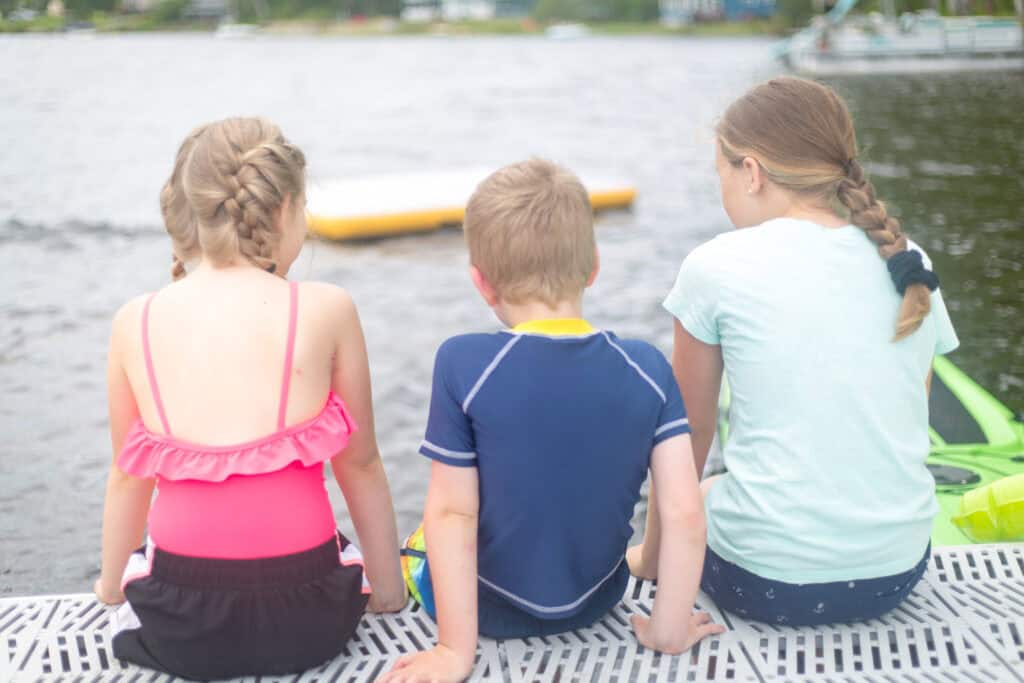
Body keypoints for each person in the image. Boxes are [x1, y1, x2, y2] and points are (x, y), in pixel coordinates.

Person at [629, 77, 958, 626]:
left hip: (768, 583)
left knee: (710, 488)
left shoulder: (716, 266)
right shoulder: (907, 261)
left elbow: (688, 434)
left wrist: (652, 557)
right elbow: (909, 414)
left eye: (721, 174)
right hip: (898, 573)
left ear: (752, 172)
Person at [381, 159, 723, 683]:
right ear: (593, 268)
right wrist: (668, 629)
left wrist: (453, 651)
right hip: (597, 601)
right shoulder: (648, 367)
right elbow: (682, 511)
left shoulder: (462, 363)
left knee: (428, 529)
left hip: (490, 612)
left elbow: (453, 514)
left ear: (481, 282)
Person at [94, 117, 407, 681]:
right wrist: (386, 590)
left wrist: (112, 584)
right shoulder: (327, 307)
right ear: (284, 209)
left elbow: (128, 476)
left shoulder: (132, 321)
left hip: (179, 622)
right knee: (333, 548)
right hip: (311, 619)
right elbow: (359, 463)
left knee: (149, 567)